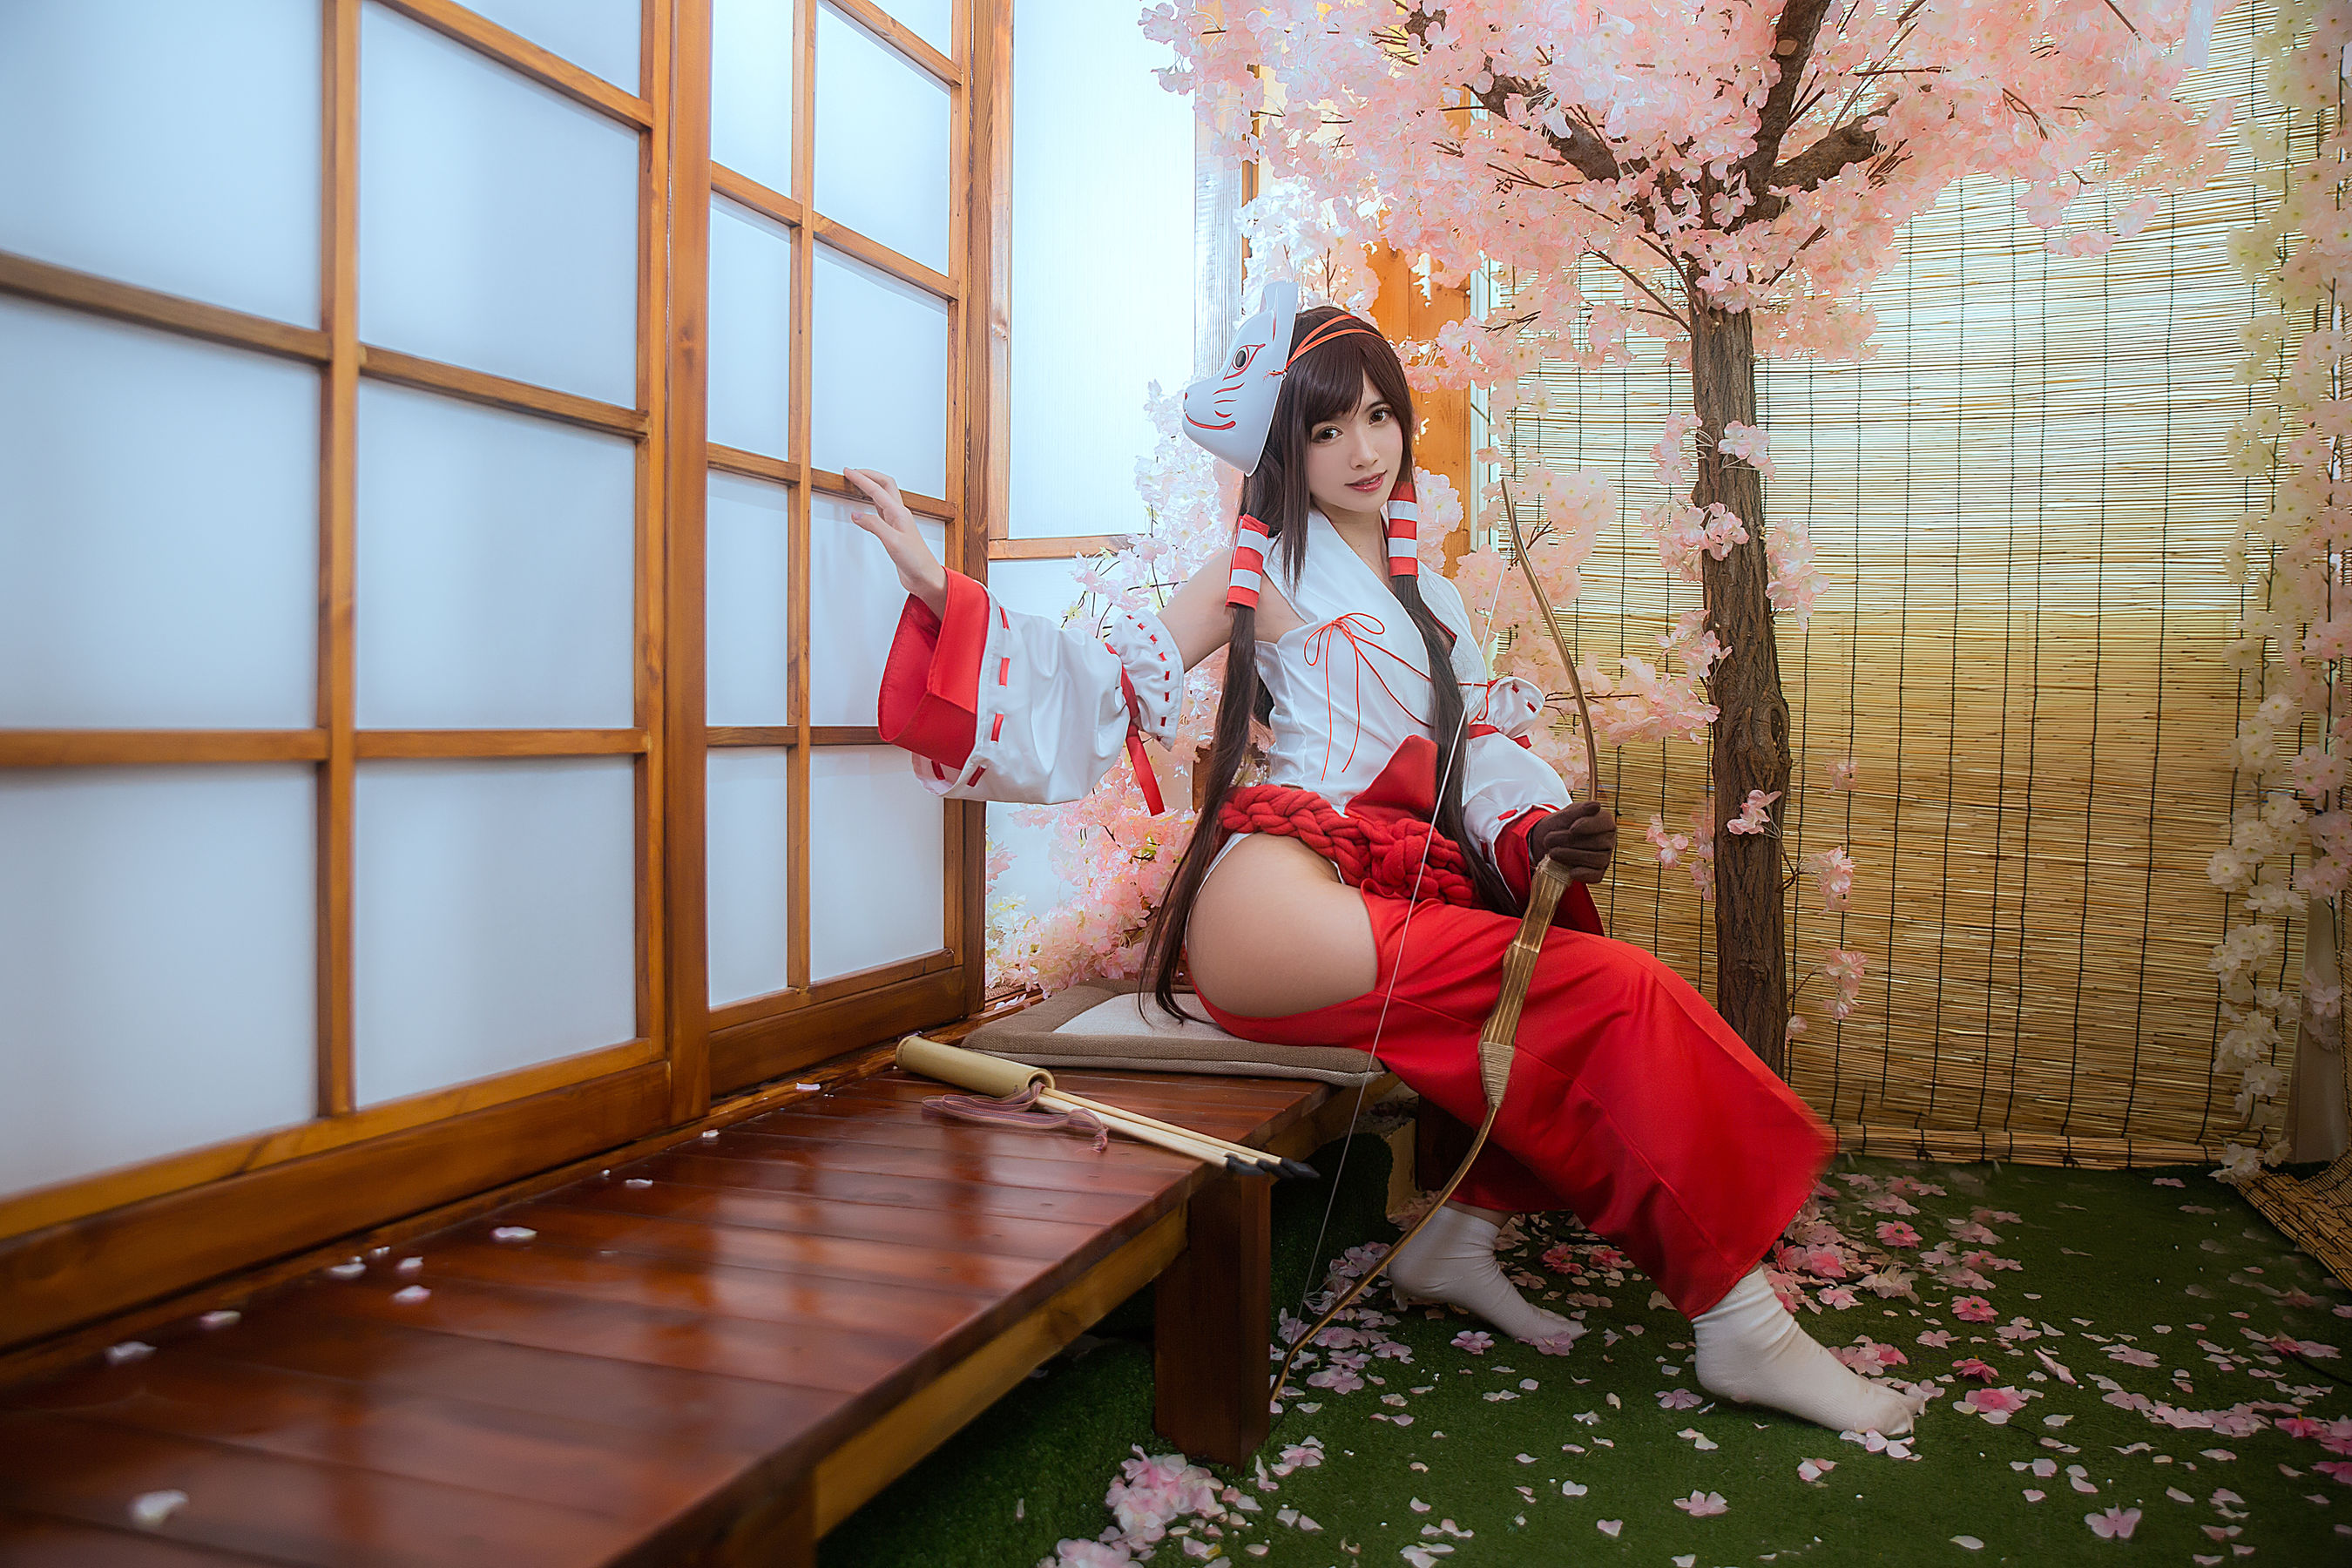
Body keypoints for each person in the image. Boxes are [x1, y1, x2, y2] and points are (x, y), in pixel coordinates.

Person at [847, 281, 1927, 1437]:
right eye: (1324, 430)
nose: (1362, 451)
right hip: (1280, 889)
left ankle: (1457, 1239)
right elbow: (1103, 674)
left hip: (1386, 877)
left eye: (1377, 416)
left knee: (1568, 964)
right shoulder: (1260, 562)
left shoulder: (1437, 598)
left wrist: (1536, 831)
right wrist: (942, 591)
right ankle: (1744, 1326)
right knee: (1609, 992)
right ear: (1286, 448)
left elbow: (1475, 758)